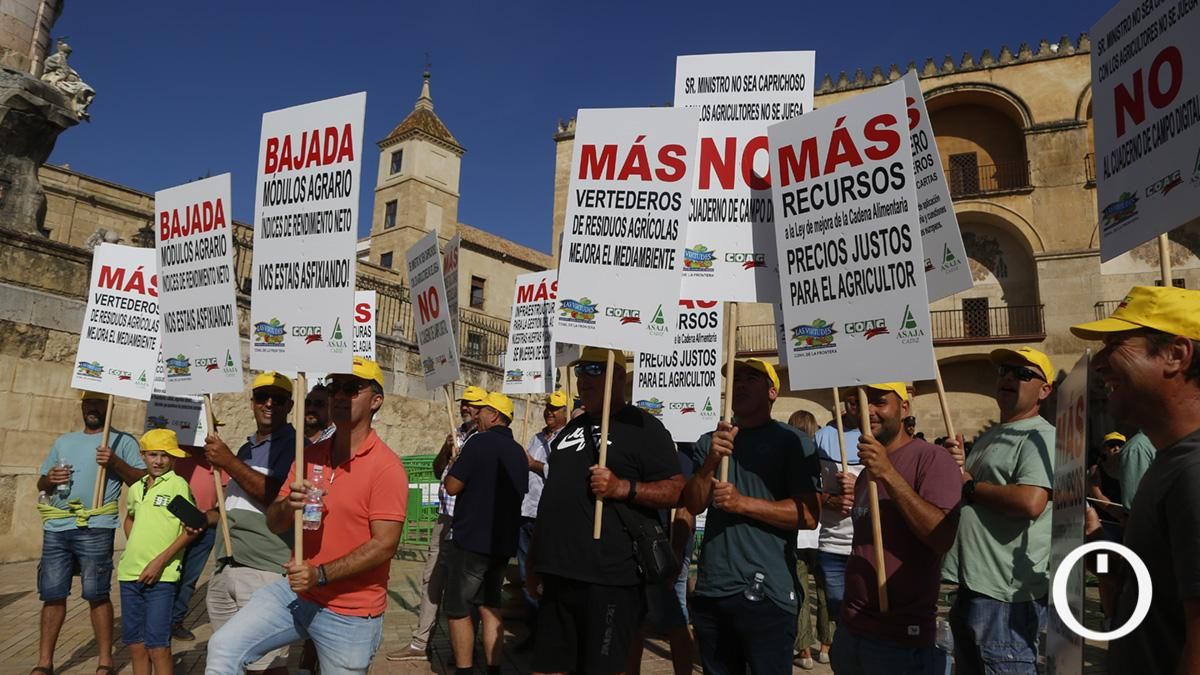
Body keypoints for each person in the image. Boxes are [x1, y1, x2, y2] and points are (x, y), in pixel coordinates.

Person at [206, 357, 409, 674]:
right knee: (223, 648)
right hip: (296, 593)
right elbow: (275, 522)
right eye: (334, 387)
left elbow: (384, 545)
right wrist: (289, 505)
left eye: (352, 388)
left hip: (351, 612)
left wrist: (321, 574)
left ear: (376, 401)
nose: (340, 395)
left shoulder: (387, 467)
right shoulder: (309, 455)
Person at [526, 347, 684, 675]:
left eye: (595, 370)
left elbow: (676, 489)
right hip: (557, 573)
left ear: (619, 377)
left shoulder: (644, 427)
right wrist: (533, 560)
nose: (584, 378)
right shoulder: (571, 428)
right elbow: (552, 495)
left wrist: (622, 488)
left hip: (609, 578)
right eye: (582, 370)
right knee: (546, 668)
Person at [1069, 286, 1200, 674]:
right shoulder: (1169, 461)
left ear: (1176, 354)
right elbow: (1152, 594)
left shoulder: (1193, 470)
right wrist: (1099, 548)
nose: (1099, 363)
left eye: (1116, 345)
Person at [683, 358, 823, 675]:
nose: (740, 384)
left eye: (751, 378)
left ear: (773, 392)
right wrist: (710, 463)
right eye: (735, 378)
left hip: (768, 593)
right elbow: (692, 504)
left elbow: (809, 515)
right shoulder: (711, 442)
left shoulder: (793, 442)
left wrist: (742, 503)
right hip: (713, 591)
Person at [939, 346, 1055, 675]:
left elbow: (1031, 501)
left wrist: (970, 485)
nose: (1008, 377)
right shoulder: (994, 434)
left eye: (1023, 374)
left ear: (1044, 390)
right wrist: (957, 466)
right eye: (1004, 371)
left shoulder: (1040, 437)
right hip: (975, 586)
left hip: (1005, 595)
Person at [831, 383, 960, 675]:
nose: (869, 411)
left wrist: (888, 473)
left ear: (904, 408)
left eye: (879, 402)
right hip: (852, 631)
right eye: (861, 402)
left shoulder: (932, 459)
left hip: (901, 639)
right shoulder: (866, 473)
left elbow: (941, 537)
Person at [32, 390, 145, 675]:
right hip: (57, 527)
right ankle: (44, 662)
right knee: (52, 594)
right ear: (82, 406)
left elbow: (142, 482)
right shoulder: (64, 441)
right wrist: (49, 479)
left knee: (97, 593)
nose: (93, 408)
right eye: (89, 402)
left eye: (99, 402)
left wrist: (115, 462)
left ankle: (105, 661)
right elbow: (41, 484)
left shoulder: (123, 441)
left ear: (110, 406)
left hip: (96, 527)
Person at [202, 371, 297, 674]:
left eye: (278, 399)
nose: (269, 404)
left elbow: (276, 498)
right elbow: (235, 504)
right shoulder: (245, 449)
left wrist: (229, 461)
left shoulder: (296, 447)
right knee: (228, 660)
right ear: (252, 403)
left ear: (290, 405)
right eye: (262, 397)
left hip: (265, 569)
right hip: (226, 565)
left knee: (267, 667)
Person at [387, 385, 487, 662]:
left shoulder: (484, 440)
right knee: (432, 579)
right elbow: (436, 471)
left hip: (467, 522)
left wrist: (462, 463)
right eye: (464, 403)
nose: (465, 407)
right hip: (444, 519)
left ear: (484, 410)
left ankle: (465, 649)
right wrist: (446, 452)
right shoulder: (457, 435)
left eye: (472, 404)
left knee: (465, 586)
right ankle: (420, 643)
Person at [443, 391, 529, 675]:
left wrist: (455, 463)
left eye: (483, 411)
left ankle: (465, 669)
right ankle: (494, 669)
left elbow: (452, 486)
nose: (476, 415)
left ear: (495, 415)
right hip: (502, 543)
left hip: (471, 540)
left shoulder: (478, 442)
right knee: (490, 606)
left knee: (457, 608)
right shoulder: (518, 451)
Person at [119, 429, 198, 675]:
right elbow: (130, 518)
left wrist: (159, 561)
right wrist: (136, 548)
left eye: (165, 456)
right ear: (143, 455)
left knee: (157, 646)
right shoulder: (137, 487)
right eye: (153, 454)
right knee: (135, 644)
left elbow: (193, 528)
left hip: (161, 577)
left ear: (173, 459)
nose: (159, 461)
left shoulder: (176, 485)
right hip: (129, 574)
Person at [629, 442, 696, 675]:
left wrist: (676, 552)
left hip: (668, 548)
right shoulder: (641, 454)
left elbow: (685, 504)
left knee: (676, 616)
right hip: (642, 544)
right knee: (635, 619)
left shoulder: (682, 458)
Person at [515, 390, 569, 651]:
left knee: (548, 577)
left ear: (566, 413)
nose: (550, 412)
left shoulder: (568, 440)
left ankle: (550, 634)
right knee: (527, 575)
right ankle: (533, 631)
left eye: (556, 408)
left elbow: (560, 475)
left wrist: (534, 464)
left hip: (549, 517)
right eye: (548, 407)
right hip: (527, 511)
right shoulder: (537, 437)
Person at [813, 392, 863, 646]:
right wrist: (831, 500)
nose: (852, 399)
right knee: (843, 626)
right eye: (848, 394)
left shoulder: (884, 438)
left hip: (874, 548)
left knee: (874, 626)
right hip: (833, 548)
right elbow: (807, 491)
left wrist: (861, 487)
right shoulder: (822, 438)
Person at [788, 409, 828, 670]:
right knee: (825, 593)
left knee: (800, 594)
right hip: (824, 535)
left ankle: (804, 650)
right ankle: (826, 646)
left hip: (798, 533)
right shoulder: (825, 458)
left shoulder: (788, 458)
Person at [169, 441, 221, 641]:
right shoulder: (176, 454)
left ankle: (175, 621)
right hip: (174, 525)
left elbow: (225, 491)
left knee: (189, 578)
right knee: (169, 575)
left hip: (204, 527)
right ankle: (159, 619)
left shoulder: (217, 458)